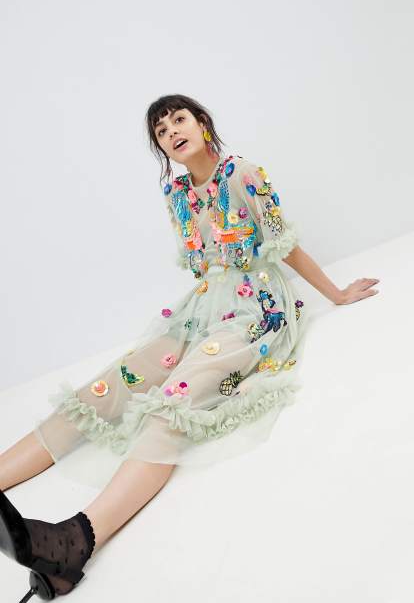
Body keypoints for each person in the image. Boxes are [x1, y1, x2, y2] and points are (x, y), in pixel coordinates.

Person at [0, 94, 380, 600]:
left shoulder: (244, 174)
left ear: (202, 123)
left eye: (179, 119)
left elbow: (283, 246)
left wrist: (335, 294)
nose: (172, 132)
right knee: (109, 386)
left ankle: (77, 540)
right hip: (201, 309)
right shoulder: (176, 193)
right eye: (160, 131)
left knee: (172, 403)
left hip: (256, 311)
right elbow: (204, 264)